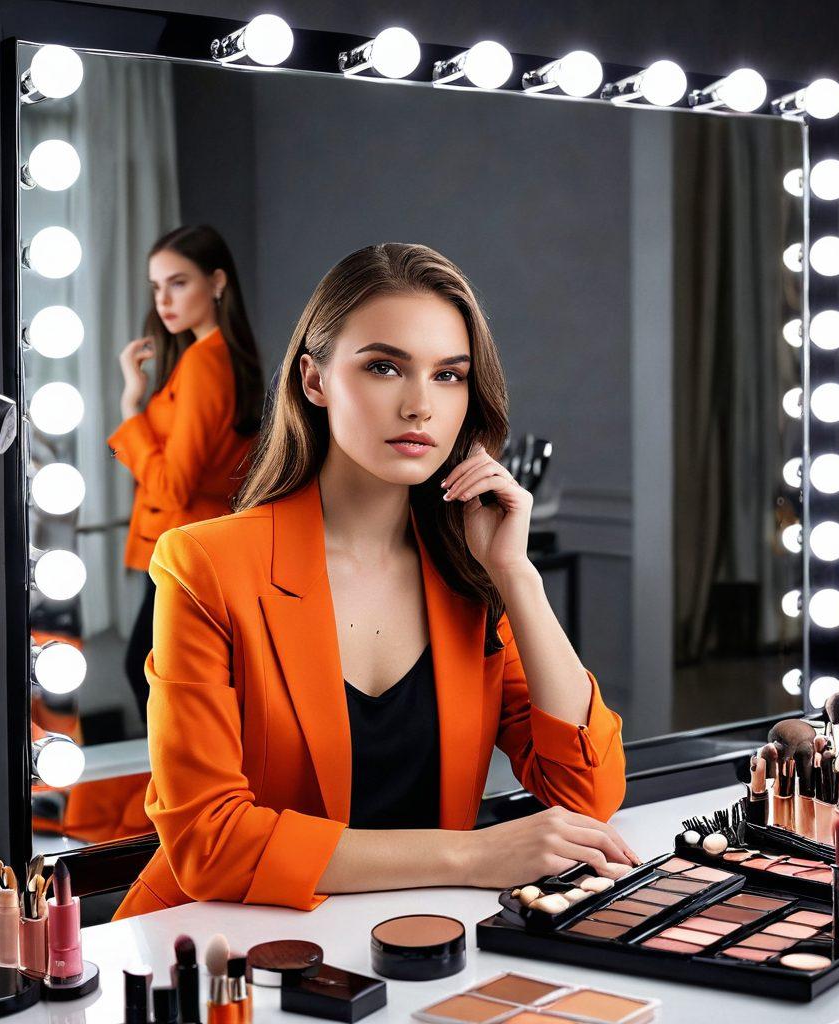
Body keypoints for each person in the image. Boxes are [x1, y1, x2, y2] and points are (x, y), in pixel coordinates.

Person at [112, 242, 633, 920]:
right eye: (385, 367)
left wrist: (515, 575)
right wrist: (472, 856)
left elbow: (586, 791)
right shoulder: (205, 565)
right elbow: (210, 843)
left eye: (449, 376)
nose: (421, 405)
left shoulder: (468, 575)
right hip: (213, 951)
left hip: (401, 945)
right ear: (315, 380)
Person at [107, 225, 264, 723]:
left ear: (217, 282)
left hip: (187, 545)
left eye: (178, 283)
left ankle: (183, 783)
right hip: (202, 544)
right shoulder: (215, 358)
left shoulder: (203, 364)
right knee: (190, 678)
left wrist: (132, 407)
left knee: (150, 671)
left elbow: (175, 485)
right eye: (156, 287)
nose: (163, 301)